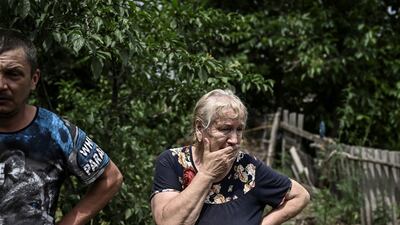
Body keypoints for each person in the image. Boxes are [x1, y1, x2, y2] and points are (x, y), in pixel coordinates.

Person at [0, 28, 123, 225]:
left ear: (34, 80)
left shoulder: (56, 131)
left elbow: (110, 178)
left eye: (13, 74)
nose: (1, 85)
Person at [151, 89, 310, 225]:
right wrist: (207, 174)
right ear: (200, 128)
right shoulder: (172, 162)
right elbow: (167, 222)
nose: (234, 140)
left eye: (239, 129)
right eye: (225, 129)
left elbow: (300, 196)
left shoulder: (247, 168)